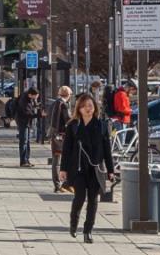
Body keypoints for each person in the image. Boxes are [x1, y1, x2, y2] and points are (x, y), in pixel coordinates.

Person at [60, 92, 118, 243]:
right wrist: (63, 169)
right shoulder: (73, 126)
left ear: (95, 108)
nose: (88, 109)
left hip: (96, 169)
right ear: (79, 108)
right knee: (79, 197)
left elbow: (107, 150)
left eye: (90, 106)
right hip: (78, 168)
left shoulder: (101, 126)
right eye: (84, 106)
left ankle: (88, 231)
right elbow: (66, 149)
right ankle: (74, 224)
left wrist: (111, 171)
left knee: (93, 200)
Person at [48, 85, 73, 192]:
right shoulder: (64, 105)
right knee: (65, 159)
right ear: (68, 95)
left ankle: (58, 184)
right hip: (61, 136)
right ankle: (63, 184)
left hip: (54, 134)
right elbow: (68, 120)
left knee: (56, 159)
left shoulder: (54, 103)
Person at [15, 87, 41, 167]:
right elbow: (27, 113)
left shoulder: (29, 98)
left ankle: (26, 160)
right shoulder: (24, 100)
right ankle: (23, 161)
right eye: (35, 96)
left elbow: (32, 108)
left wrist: (37, 105)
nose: (36, 98)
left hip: (27, 122)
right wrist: (39, 115)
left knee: (27, 141)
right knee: (24, 141)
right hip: (23, 122)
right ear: (30, 94)